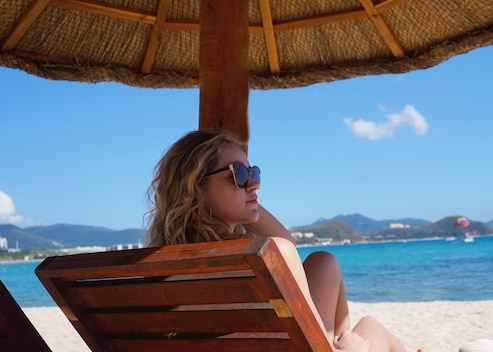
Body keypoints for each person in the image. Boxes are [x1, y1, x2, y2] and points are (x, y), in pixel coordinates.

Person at [145, 130, 407, 352]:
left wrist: (242, 197)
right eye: (237, 174)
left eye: (254, 173)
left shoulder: (162, 270)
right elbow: (285, 243)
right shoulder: (271, 255)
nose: (254, 185)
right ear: (197, 187)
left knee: (322, 263)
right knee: (371, 327)